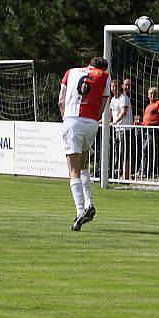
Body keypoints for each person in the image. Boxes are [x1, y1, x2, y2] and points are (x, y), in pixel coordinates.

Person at [58, 56, 111, 231]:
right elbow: (104, 102)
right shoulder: (104, 76)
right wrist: (95, 118)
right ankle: (89, 202)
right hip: (91, 123)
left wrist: (66, 119)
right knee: (83, 166)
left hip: (72, 120)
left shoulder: (70, 72)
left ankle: (81, 210)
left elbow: (61, 100)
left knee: (73, 170)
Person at [135, 86, 159, 176]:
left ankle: (144, 171)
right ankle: (142, 170)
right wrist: (138, 123)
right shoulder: (148, 107)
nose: (153, 95)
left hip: (154, 131)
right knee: (145, 150)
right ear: (148, 96)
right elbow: (146, 121)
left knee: (146, 149)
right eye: (151, 94)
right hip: (146, 131)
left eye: (154, 93)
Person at [110, 79, 133, 179]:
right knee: (117, 152)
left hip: (125, 129)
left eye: (116, 86)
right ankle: (118, 173)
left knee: (125, 152)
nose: (114, 88)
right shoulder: (112, 100)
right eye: (112, 86)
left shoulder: (124, 98)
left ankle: (126, 175)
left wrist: (115, 122)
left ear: (119, 87)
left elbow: (123, 112)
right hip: (117, 130)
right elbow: (109, 114)